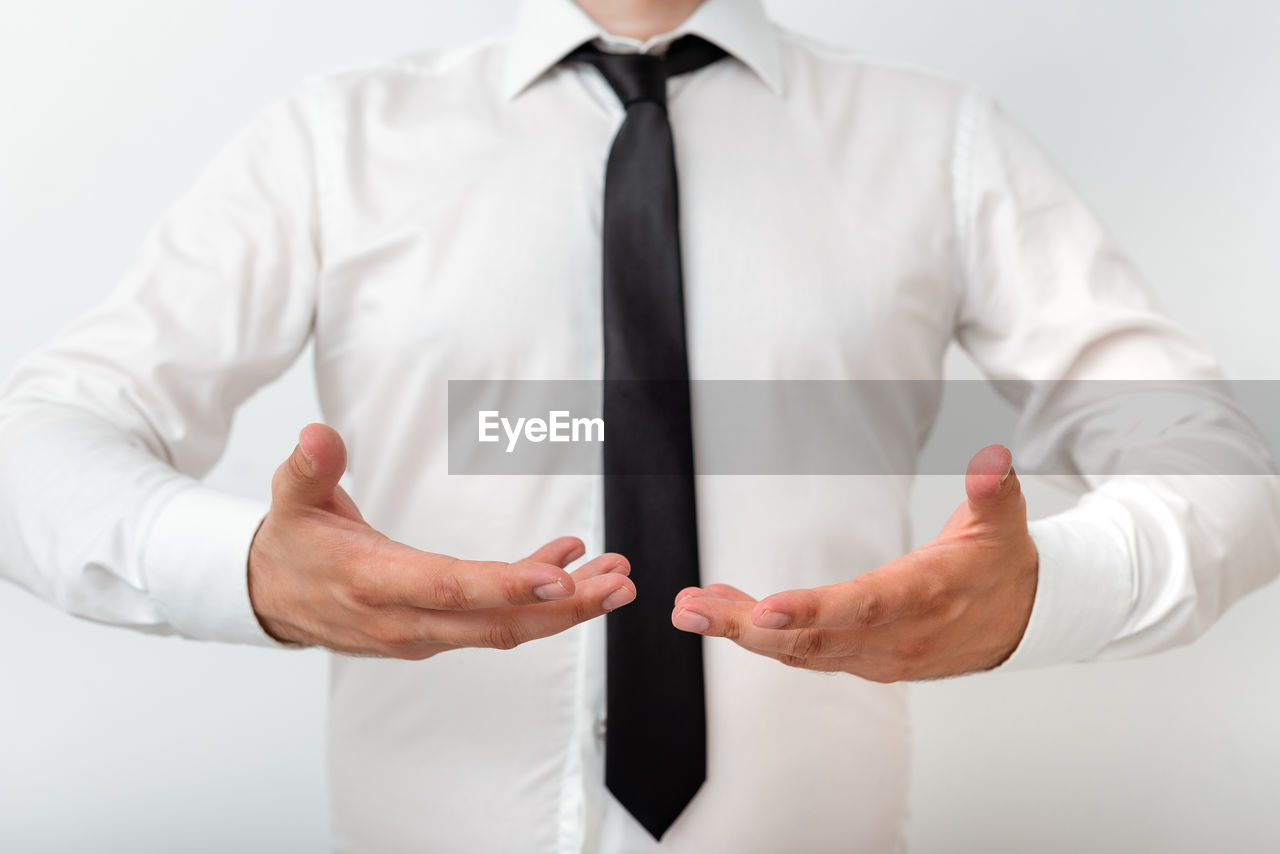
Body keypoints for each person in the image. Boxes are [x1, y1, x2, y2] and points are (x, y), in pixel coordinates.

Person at [0, 0, 1276, 851]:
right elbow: (36, 438)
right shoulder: (331, 141)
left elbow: (1230, 461)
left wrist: (1056, 584)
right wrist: (247, 570)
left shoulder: (938, 142)